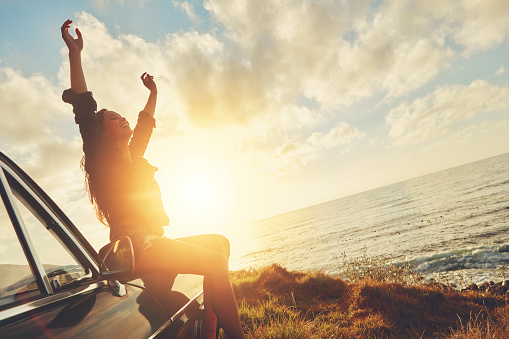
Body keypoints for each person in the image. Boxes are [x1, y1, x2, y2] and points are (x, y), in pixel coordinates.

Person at [60, 19, 245, 339]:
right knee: (214, 260)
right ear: (101, 133)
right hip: (134, 249)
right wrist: (76, 55)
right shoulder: (102, 161)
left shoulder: (135, 158)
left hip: (153, 242)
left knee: (220, 244)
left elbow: (144, 124)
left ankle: (210, 334)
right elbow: (84, 110)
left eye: (121, 115)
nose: (121, 118)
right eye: (113, 118)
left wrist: (154, 92)